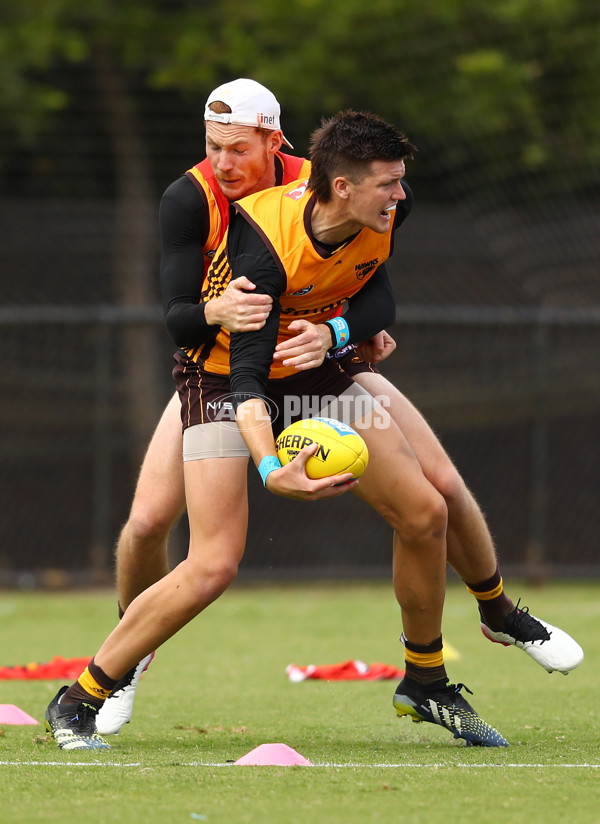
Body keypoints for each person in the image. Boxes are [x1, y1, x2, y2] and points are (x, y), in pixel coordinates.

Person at [45, 110, 582, 751]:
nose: (401, 195)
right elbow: (243, 383)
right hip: (224, 383)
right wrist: (273, 470)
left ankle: (427, 680)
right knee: (211, 562)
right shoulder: (259, 239)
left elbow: (375, 292)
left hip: (314, 377)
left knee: (425, 511)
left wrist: (339, 332)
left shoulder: (377, 209)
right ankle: (81, 697)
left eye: (399, 181)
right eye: (389, 183)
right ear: (344, 187)